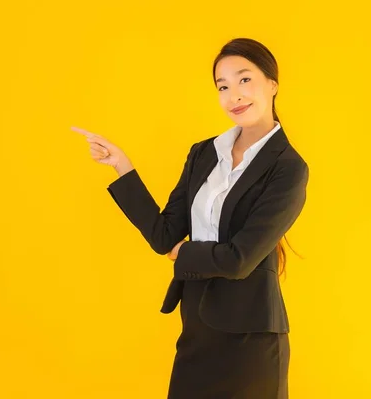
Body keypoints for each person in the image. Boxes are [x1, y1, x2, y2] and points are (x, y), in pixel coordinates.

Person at [73, 37, 309, 399]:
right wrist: (122, 166)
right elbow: (164, 235)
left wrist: (183, 255)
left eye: (245, 80)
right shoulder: (203, 154)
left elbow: (239, 259)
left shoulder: (288, 168)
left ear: (272, 84)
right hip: (197, 331)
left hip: (251, 340)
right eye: (223, 86)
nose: (235, 95)